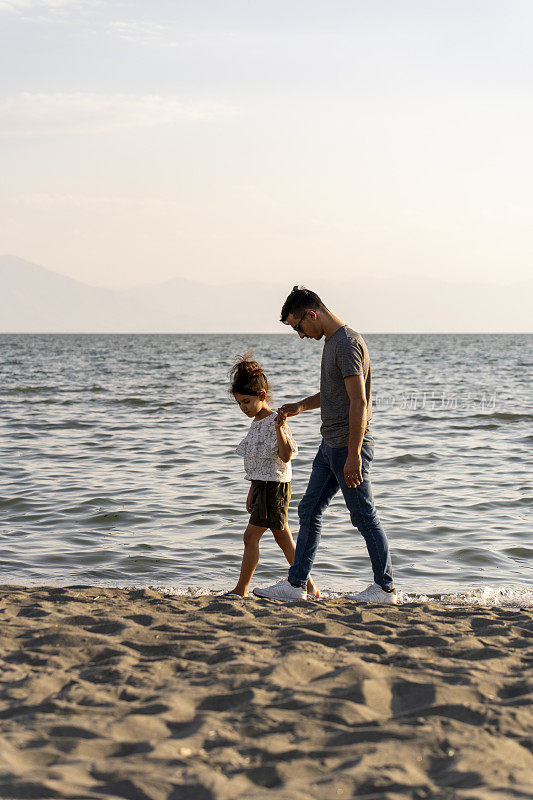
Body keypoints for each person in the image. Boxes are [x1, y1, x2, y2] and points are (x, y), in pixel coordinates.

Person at [253, 287, 397, 604]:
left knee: (364, 516)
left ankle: (384, 589)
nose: (300, 335)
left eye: (298, 327)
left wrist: (355, 454)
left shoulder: (347, 344)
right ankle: (296, 584)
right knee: (309, 509)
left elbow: (359, 402)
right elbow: (336, 394)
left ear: (312, 314)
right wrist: (301, 406)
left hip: (348, 445)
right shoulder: (333, 343)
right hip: (329, 443)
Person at [223, 354, 319, 599]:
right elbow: (259, 464)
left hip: (275, 487)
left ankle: (241, 589)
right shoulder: (256, 422)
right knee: (284, 539)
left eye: (246, 401)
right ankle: (310, 587)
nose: (243, 407)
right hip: (263, 487)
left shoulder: (275, 420)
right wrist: (252, 491)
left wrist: (279, 429)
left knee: (251, 536)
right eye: (239, 403)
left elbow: (285, 456)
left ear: (262, 396)